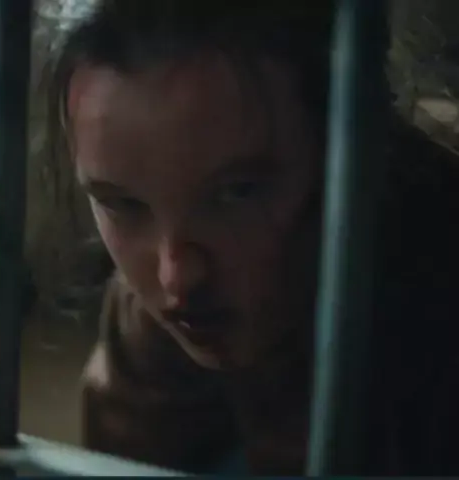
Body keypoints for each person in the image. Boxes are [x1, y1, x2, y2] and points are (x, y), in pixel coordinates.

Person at [40, 0, 459, 475]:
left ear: (348, 143)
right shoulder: (151, 332)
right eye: (123, 205)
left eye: (237, 193)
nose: (177, 275)